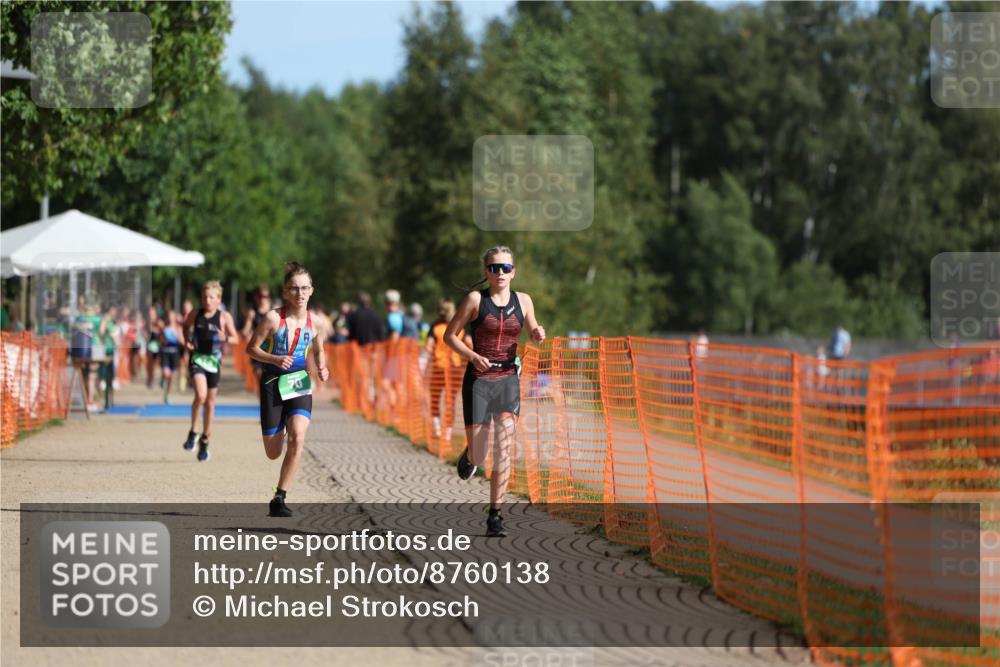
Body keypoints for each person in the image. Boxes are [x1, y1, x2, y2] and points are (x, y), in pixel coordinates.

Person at [445, 245, 545, 537]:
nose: (500, 273)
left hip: (508, 380)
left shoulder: (524, 300)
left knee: (503, 450)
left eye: (505, 268)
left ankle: (495, 516)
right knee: (479, 455)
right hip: (478, 380)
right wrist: (472, 355)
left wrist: (538, 334)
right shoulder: (476, 300)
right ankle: (470, 456)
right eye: (494, 268)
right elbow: (449, 336)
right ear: (486, 271)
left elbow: (534, 331)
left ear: (513, 272)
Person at [247, 262, 329, 517]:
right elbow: (251, 348)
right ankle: (280, 426)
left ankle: (279, 497)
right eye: (294, 288)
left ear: (312, 291)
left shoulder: (316, 322)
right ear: (285, 292)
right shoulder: (273, 318)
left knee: (298, 437)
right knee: (273, 452)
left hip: (299, 383)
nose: (300, 293)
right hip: (273, 383)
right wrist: (273, 359)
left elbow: (319, 349)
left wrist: (323, 368)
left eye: (304, 288)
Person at [182, 281, 239, 462]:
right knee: (200, 395)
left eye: (211, 297)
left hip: (214, 363)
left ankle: (205, 440)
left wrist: (226, 338)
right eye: (205, 296)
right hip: (198, 358)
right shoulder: (195, 314)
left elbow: (236, 339)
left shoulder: (224, 317)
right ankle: (193, 431)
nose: (207, 300)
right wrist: (187, 340)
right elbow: (185, 326)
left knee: (211, 403)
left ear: (218, 299)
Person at [426, 298, 469, 448]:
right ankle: (448, 434)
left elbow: (428, 347)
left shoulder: (435, 327)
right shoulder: (459, 327)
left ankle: (437, 430)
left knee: (435, 399)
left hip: (438, 367)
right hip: (455, 369)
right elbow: (470, 344)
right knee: (450, 402)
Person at [242, 285, 273, 389]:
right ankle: (263, 403)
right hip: (257, 350)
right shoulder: (253, 312)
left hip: (272, 350)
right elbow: (245, 331)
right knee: (260, 379)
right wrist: (247, 334)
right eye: (260, 296)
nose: (263, 299)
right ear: (256, 297)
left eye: (265, 296)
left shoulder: (274, 311)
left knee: (271, 380)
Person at [382, 289, 405, 413]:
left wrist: (390, 354)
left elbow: (395, 336)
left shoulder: (392, 317)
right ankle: (398, 409)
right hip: (402, 354)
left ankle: (395, 409)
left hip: (394, 355)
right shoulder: (402, 314)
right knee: (397, 383)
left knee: (387, 382)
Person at [160, 310, 183, 404]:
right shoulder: (164, 328)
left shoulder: (178, 328)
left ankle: (167, 395)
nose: (170, 318)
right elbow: (161, 341)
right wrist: (164, 338)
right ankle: (163, 378)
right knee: (166, 373)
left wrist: (177, 337)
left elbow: (182, 341)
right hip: (165, 353)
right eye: (169, 316)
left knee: (171, 377)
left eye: (172, 316)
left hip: (174, 354)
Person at [145, 304, 163, 389]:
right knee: (150, 364)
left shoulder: (159, 322)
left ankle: (152, 379)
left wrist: (158, 326)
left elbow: (163, 330)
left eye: (152, 313)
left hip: (157, 346)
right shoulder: (147, 323)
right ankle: (149, 378)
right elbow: (145, 334)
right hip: (149, 346)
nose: (151, 314)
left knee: (155, 365)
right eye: (150, 313)